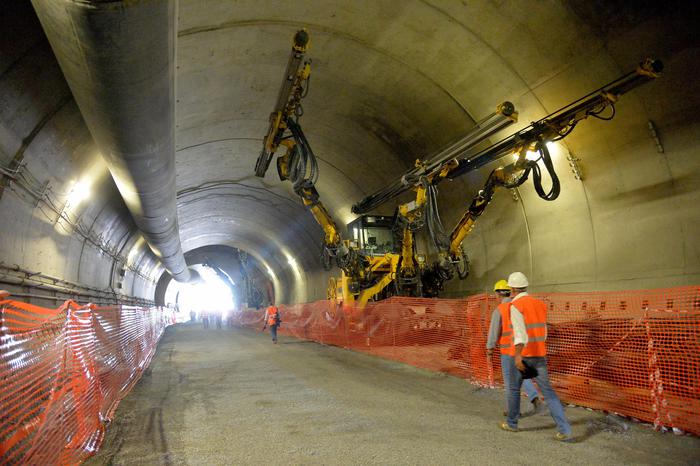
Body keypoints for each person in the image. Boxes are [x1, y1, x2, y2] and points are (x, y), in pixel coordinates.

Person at [499, 272, 574, 442]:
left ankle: (512, 423)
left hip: (522, 354)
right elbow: (544, 332)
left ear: (512, 289)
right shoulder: (540, 304)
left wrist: (518, 356)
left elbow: (520, 335)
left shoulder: (515, 306)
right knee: (548, 393)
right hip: (539, 354)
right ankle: (565, 430)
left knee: (513, 389)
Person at [486, 279, 541, 416]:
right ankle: (534, 396)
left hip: (507, 350)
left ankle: (512, 412)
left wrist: (490, 347)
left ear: (499, 294)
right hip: (522, 347)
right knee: (522, 373)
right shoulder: (518, 305)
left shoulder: (500, 309)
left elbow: (494, 330)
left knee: (511, 382)